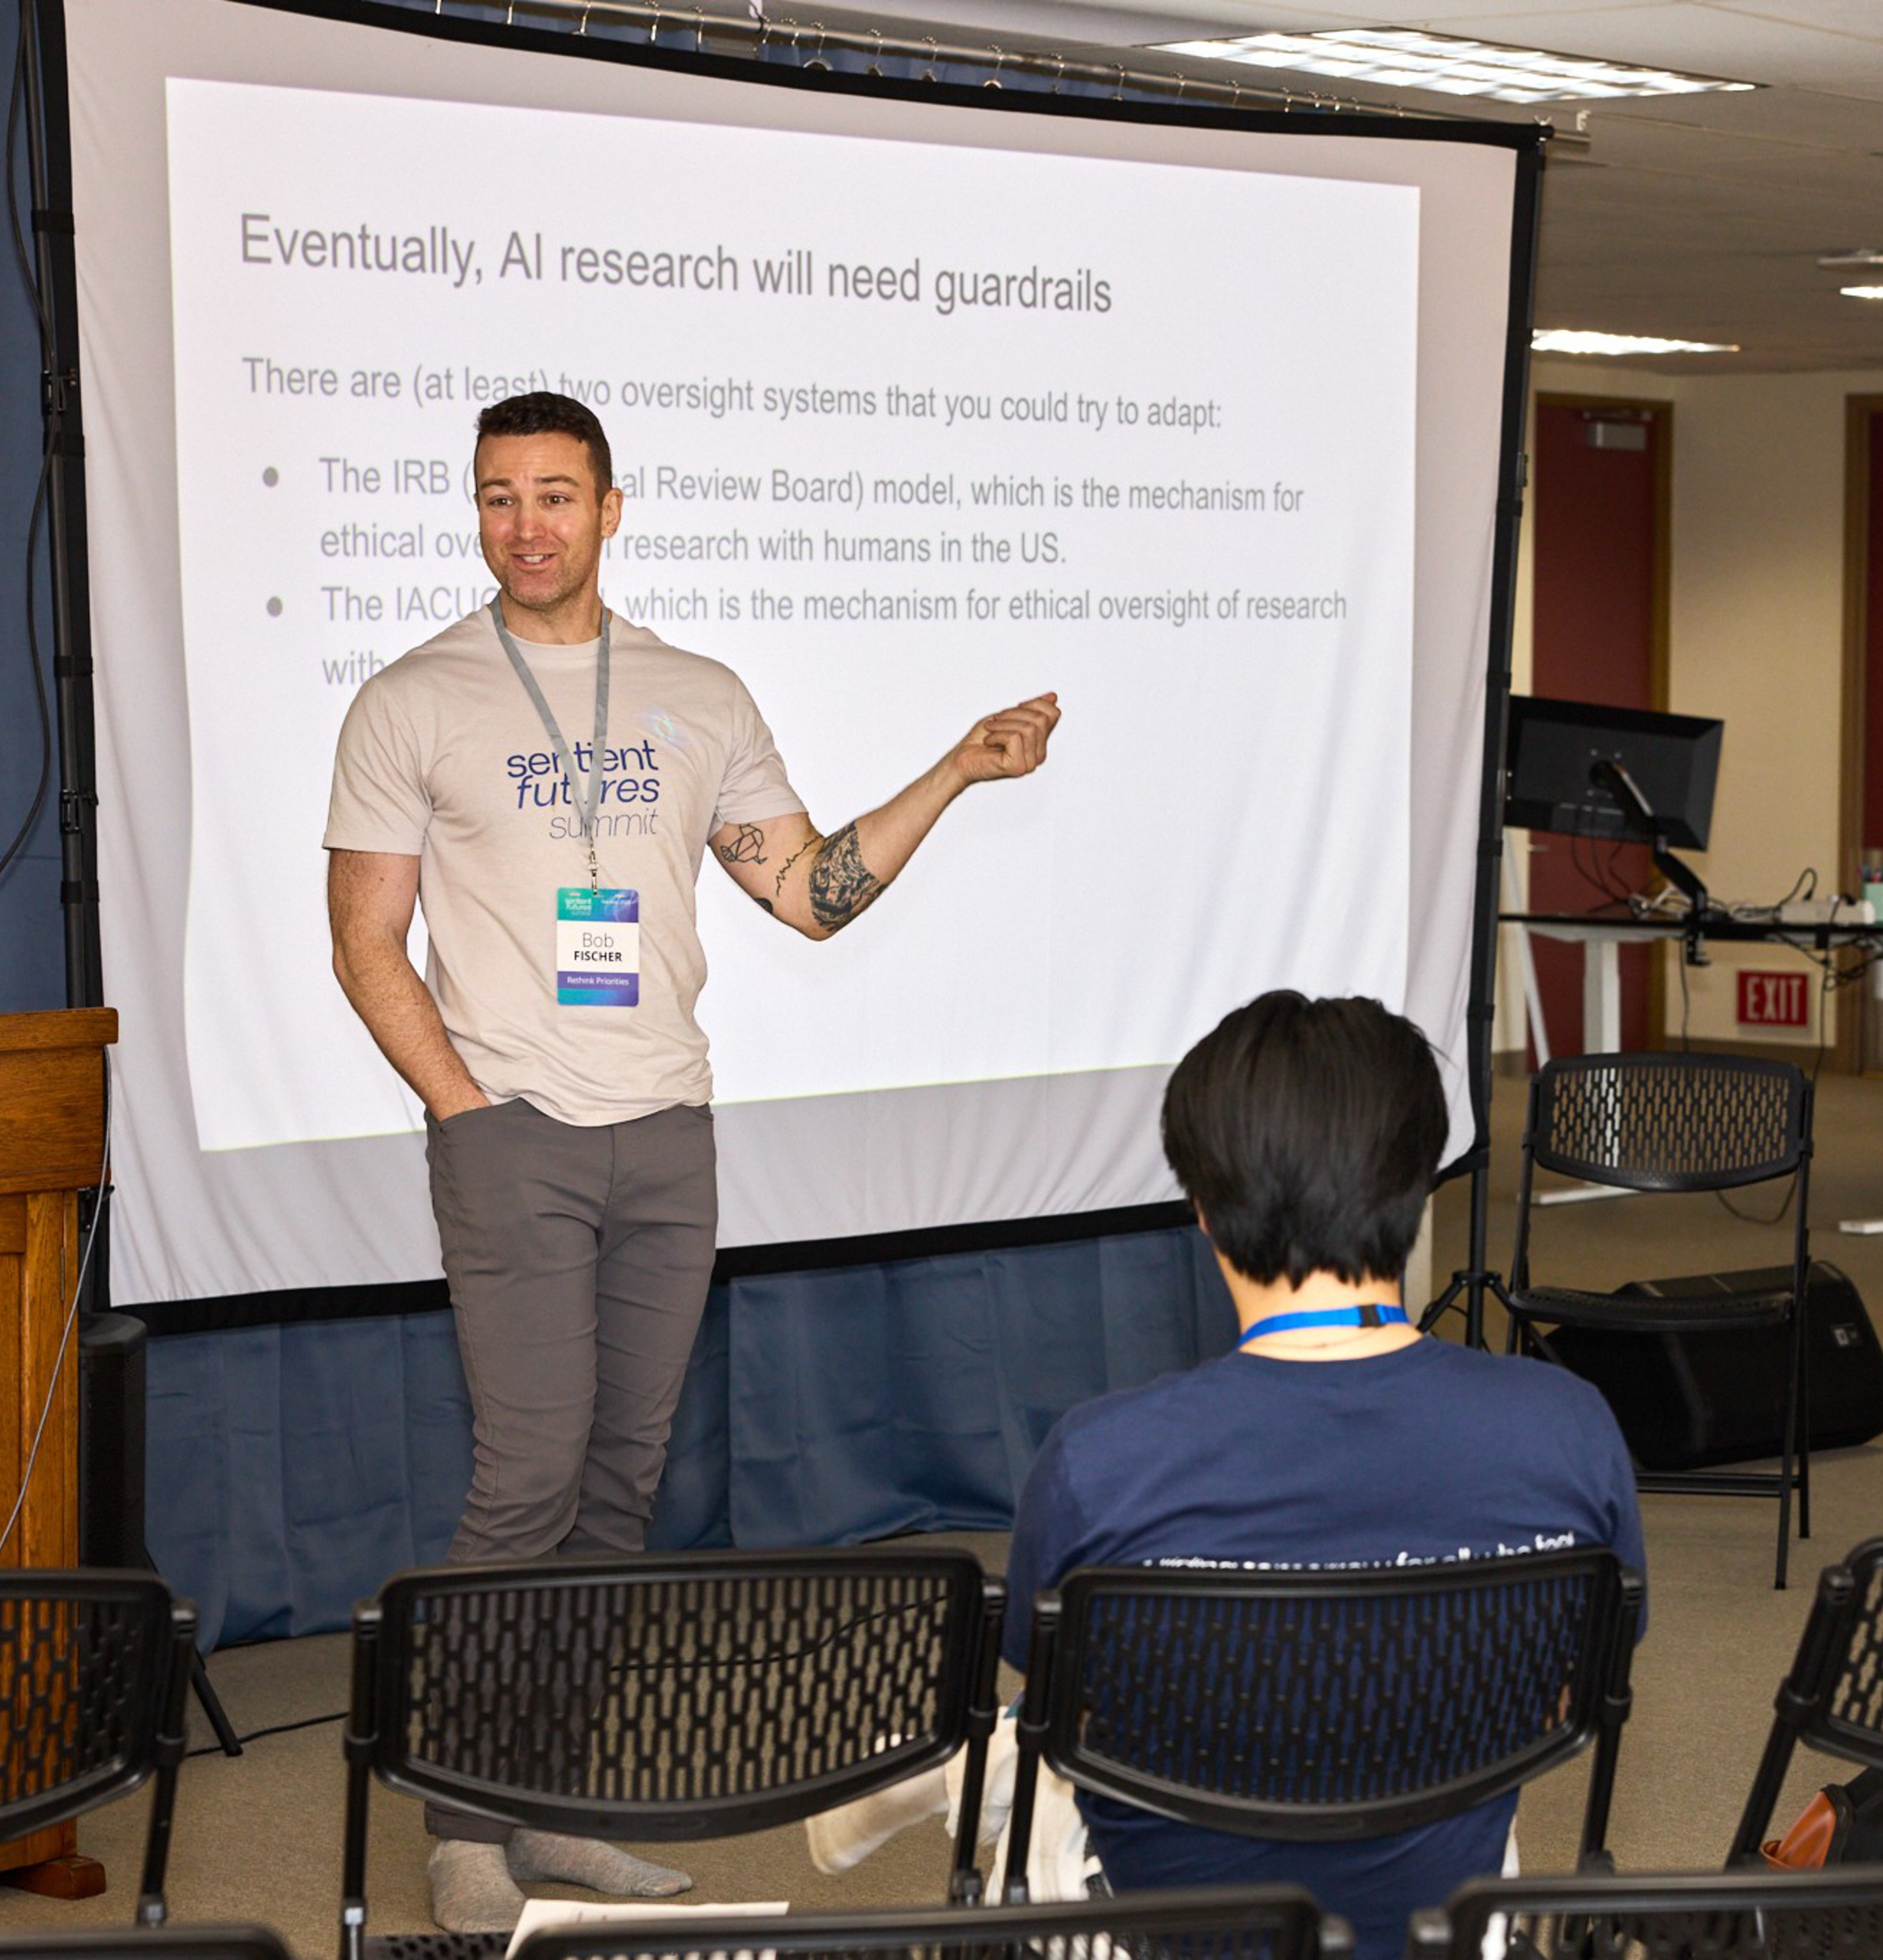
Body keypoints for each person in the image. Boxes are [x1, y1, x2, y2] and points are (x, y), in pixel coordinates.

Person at [325, 390, 1059, 1931]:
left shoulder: (695, 693)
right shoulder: (413, 698)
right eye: (498, 495)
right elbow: (366, 940)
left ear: (610, 507)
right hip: (513, 1133)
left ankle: (556, 1801)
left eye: (556, 494)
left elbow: (811, 893)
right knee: (527, 1476)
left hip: (667, 1132)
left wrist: (954, 768)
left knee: (619, 1486)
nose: (526, 524)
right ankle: (468, 1823)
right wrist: (464, 1109)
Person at [1001, 992, 1646, 1960]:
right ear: (1419, 1185)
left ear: (1202, 1205)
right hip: (1434, 1924)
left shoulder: (1096, 1461)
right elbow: (1569, 1696)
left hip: (1178, 1936)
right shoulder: (1568, 1428)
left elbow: (1072, 1710)